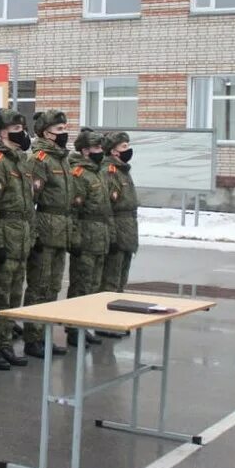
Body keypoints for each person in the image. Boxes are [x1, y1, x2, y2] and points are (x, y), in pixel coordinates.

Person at [0, 108, 34, 370]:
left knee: (13, 296)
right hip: (5, 235)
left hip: (21, 237)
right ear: (2, 132)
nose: (22, 134)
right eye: (16, 129)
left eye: (22, 128)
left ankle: (4, 343)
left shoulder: (20, 160)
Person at [20, 110, 71, 359]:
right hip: (45, 228)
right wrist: (34, 234)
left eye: (64, 129)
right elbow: (30, 201)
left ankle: (46, 335)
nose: (64, 134)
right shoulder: (39, 159)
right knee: (38, 286)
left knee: (52, 287)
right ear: (45, 133)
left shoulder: (61, 158)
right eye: (59, 130)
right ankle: (33, 338)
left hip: (60, 230)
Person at [64, 129, 112, 347]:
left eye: (101, 148)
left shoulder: (97, 172)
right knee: (81, 286)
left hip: (98, 236)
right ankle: (74, 328)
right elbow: (73, 210)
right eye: (95, 148)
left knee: (93, 285)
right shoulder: (79, 174)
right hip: (85, 236)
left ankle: (85, 325)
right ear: (84, 151)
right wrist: (74, 239)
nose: (100, 152)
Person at [100, 131, 139, 336]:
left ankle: (116, 319)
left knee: (121, 280)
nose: (128, 150)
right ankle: (105, 323)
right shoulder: (110, 170)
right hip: (117, 226)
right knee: (110, 280)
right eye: (124, 147)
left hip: (128, 228)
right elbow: (107, 206)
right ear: (113, 150)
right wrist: (113, 236)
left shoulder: (123, 170)